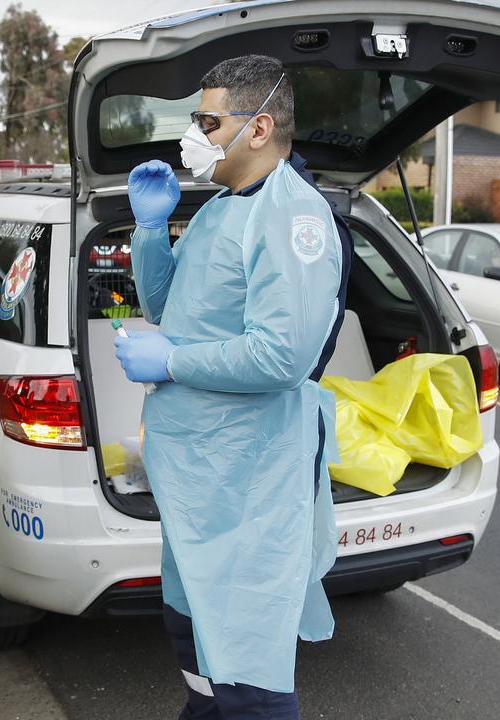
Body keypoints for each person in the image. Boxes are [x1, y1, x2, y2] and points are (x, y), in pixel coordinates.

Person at [114, 55, 353, 718]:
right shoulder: (221, 208)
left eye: (208, 120)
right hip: (199, 484)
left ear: (259, 127)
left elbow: (284, 358)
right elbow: (170, 308)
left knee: (249, 681)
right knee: (196, 649)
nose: (195, 134)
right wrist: (151, 231)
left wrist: (173, 363)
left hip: (249, 488)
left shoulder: (293, 217)